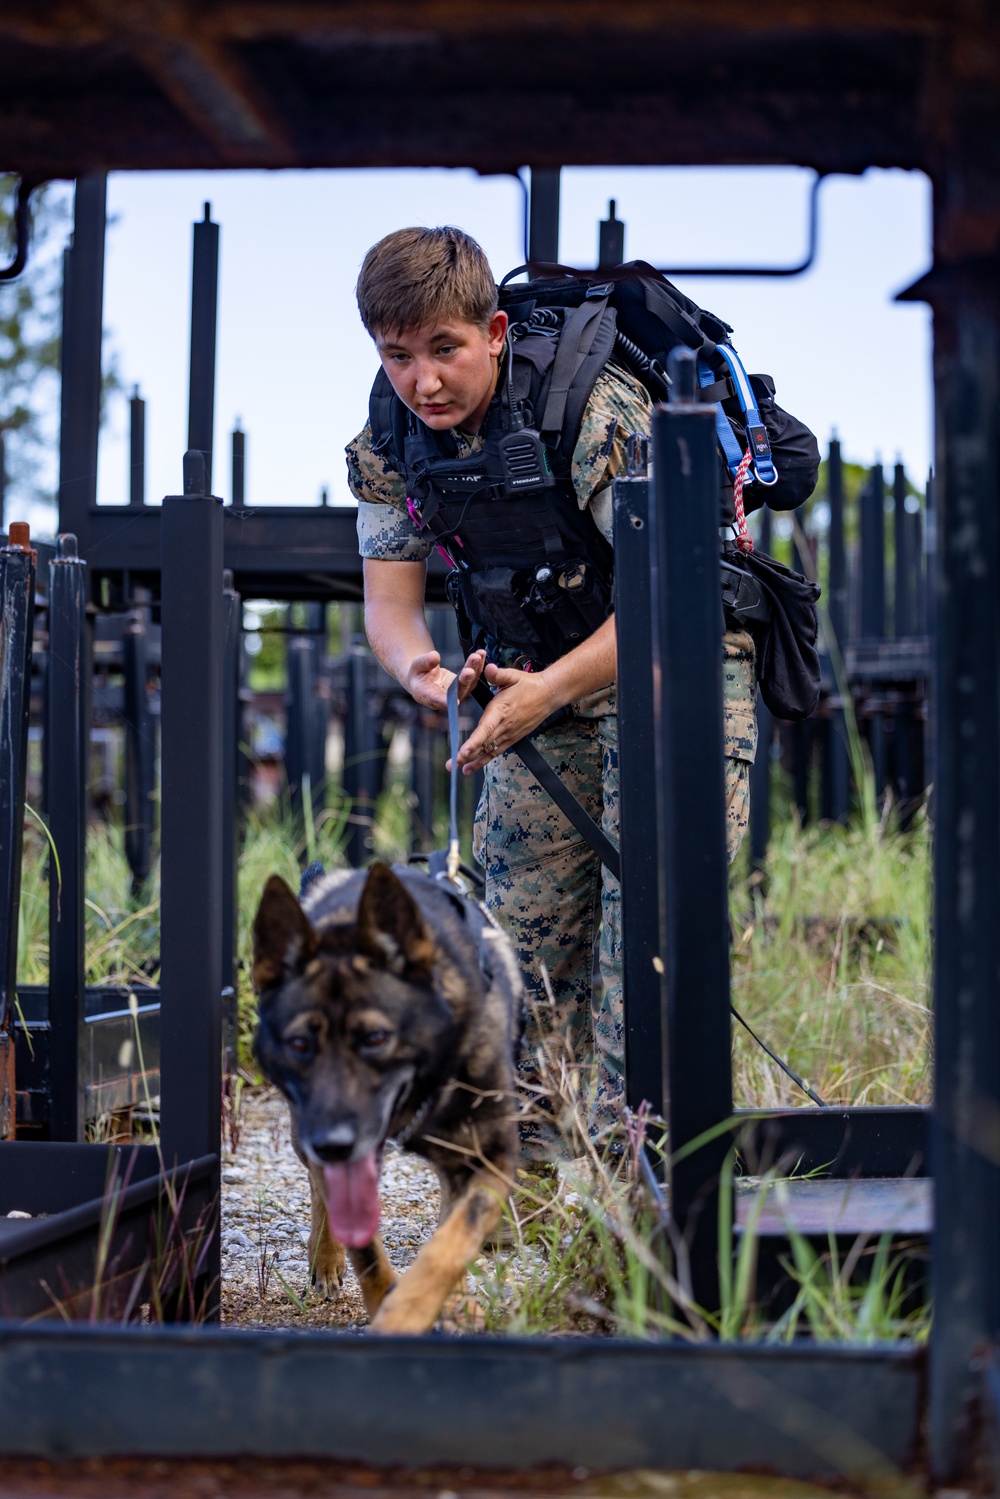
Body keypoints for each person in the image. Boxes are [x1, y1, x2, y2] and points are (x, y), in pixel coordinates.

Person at [346, 226, 757, 1154]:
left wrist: (541, 693)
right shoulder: (388, 436)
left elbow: (668, 591)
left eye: (445, 350)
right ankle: (524, 1203)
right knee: (520, 952)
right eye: (399, 357)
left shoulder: (594, 407)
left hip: (678, 672)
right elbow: (390, 602)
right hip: (538, 683)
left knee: (643, 951)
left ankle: (640, 1208)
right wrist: (424, 669)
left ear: (494, 330)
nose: (425, 382)